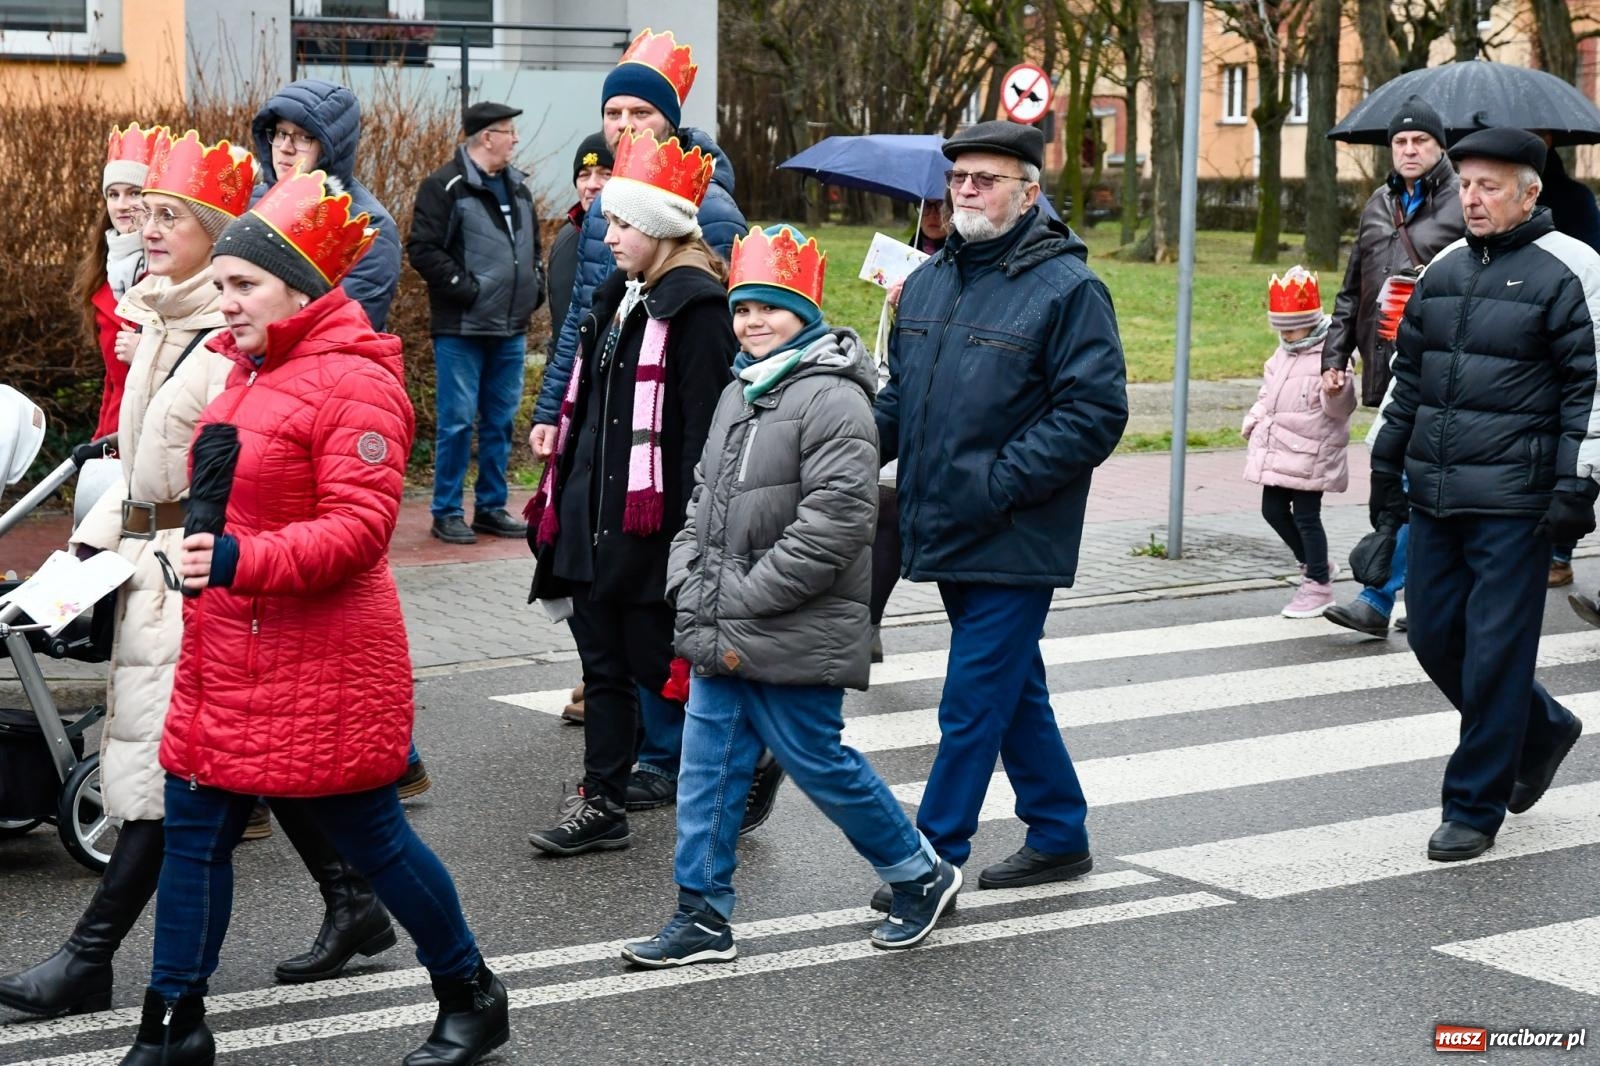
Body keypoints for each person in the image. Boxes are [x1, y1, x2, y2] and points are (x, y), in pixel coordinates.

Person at [119, 168, 508, 1065]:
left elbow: (361, 532)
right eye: (220, 285)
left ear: (301, 288)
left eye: (243, 284)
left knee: (373, 839)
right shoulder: (244, 374)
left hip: (324, 659)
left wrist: (237, 560)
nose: (226, 302)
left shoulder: (356, 384)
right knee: (193, 837)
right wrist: (197, 552)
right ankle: (173, 1027)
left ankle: (471, 992)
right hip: (230, 650)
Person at [621, 224, 959, 969]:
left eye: (770, 309)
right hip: (723, 620)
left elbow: (835, 524)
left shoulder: (835, 400)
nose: (752, 323)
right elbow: (702, 500)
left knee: (817, 761)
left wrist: (740, 592)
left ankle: (919, 873)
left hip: (793, 622)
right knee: (707, 766)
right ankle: (702, 913)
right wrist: (687, 574)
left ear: (804, 311)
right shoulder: (740, 391)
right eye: (743, 310)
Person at [0, 129, 264, 1019]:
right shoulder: (157, 318)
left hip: (193, 578)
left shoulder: (222, 336)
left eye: (169, 216)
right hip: (150, 560)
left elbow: (203, 488)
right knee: (222, 778)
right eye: (143, 212)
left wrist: (149, 552)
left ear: (216, 232)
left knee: (170, 780)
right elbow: (141, 469)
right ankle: (355, 903)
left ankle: (93, 959)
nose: (147, 229)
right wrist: (77, 557)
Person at [870, 120, 1127, 909]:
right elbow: (900, 397)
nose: (968, 191)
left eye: (986, 178)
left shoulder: (1068, 288)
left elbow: (1094, 414)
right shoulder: (932, 280)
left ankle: (932, 859)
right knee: (1014, 689)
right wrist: (837, 447)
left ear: (1029, 190)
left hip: (1016, 526)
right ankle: (1058, 830)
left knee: (972, 697)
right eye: (959, 179)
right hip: (945, 519)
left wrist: (995, 483)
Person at [528, 30, 761, 816]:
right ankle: (629, 772)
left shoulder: (701, 218)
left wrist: (702, 505)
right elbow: (586, 321)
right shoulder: (613, 216)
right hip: (606, 432)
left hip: (656, 462)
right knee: (617, 629)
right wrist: (555, 412)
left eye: (640, 111)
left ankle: (701, 760)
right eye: (613, 110)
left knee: (652, 625)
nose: (623, 124)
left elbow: (710, 368)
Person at [1369, 127, 1593, 863]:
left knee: (1496, 652)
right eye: (1464, 184)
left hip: (1519, 501)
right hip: (1437, 491)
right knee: (1434, 636)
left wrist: (1578, 482)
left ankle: (1473, 804)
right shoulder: (1444, 268)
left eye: (1488, 186)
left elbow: (1592, 388)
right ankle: (1544, 726)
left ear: (1530, 191)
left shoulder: (1573, 268)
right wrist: (1384, 468)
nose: (1471, 198)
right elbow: (1410, 377)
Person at [1322, 96, 1463, 639]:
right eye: (1400, 142)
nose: (1408, 150)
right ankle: (1432, 592)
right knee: (1403, 480)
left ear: (1439, 146)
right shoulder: (1379, 202)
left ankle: (1377, 595)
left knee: (1412, 481)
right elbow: (1352, 285)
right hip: (1387, 365)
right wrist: (1335, 355)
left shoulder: (1460, 202)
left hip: (1441, 363)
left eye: (1419, 141)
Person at [408, 100, 543, 546]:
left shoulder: (519, 189)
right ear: (487, 137)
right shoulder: (443, 186)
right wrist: (467, 290)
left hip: (510, 328)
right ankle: (446, 510)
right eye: (509, 131)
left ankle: (490, 507)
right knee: (457, 422)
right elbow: (424, 249)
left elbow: (532, 250)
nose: (515, 139)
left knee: (501, 422)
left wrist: (536, 287)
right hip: (462, 329)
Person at [1242, 266, 1357, 618]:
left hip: (1313, 451)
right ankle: (1316, 562)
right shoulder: (1282, 354)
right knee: (1272, 510)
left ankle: (1318, 585)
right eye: (1281, 328)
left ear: (1311, 321)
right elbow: (1269, 393)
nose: (1287, 335)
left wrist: (1336, 389)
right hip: (1280, 449)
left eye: (1292, 327)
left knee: (1307, 517)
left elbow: (1340, 408)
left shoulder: (1332, 353)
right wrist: (1256, 415)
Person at [546, 131, 613, 728]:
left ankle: (606, 679)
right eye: (584, 175)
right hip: (571, 415)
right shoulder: (567, 241)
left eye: (603, 174)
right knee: (559, 547)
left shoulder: (617, 242)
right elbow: (562, 333)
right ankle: (596, 669)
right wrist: (548, 412)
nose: (592, 185)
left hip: (610, 421)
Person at [250, 78, 402, 331]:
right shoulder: (252, 202)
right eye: (280, 133)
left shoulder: (365, 224)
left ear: (333, 147)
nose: (286, 148)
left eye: (303, 137)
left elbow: (347, 326)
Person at [1532, 132, 1600, 588]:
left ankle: (1560, 549)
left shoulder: (1574, 198)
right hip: (1524, 327)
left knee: (1574, 439)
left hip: (1571, 324)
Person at [75, 122, 158, 440]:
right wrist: (99, 443)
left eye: (134, 193)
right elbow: (112, 381)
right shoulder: (102, 278)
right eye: (113, 194)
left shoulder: (168, 276)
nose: (122, 204)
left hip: (154, 442)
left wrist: (148, 353)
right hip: (115, 439)